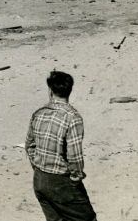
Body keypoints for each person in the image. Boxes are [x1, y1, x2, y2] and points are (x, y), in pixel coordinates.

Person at [26, 71, 97, 221]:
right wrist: (76, 177)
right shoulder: (73, 117)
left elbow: (29, 146)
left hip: (39, 179)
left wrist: (39, 168)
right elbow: (74, 157)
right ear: (70, 90)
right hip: (61, 182)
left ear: (50, 90)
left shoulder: (38, 114)